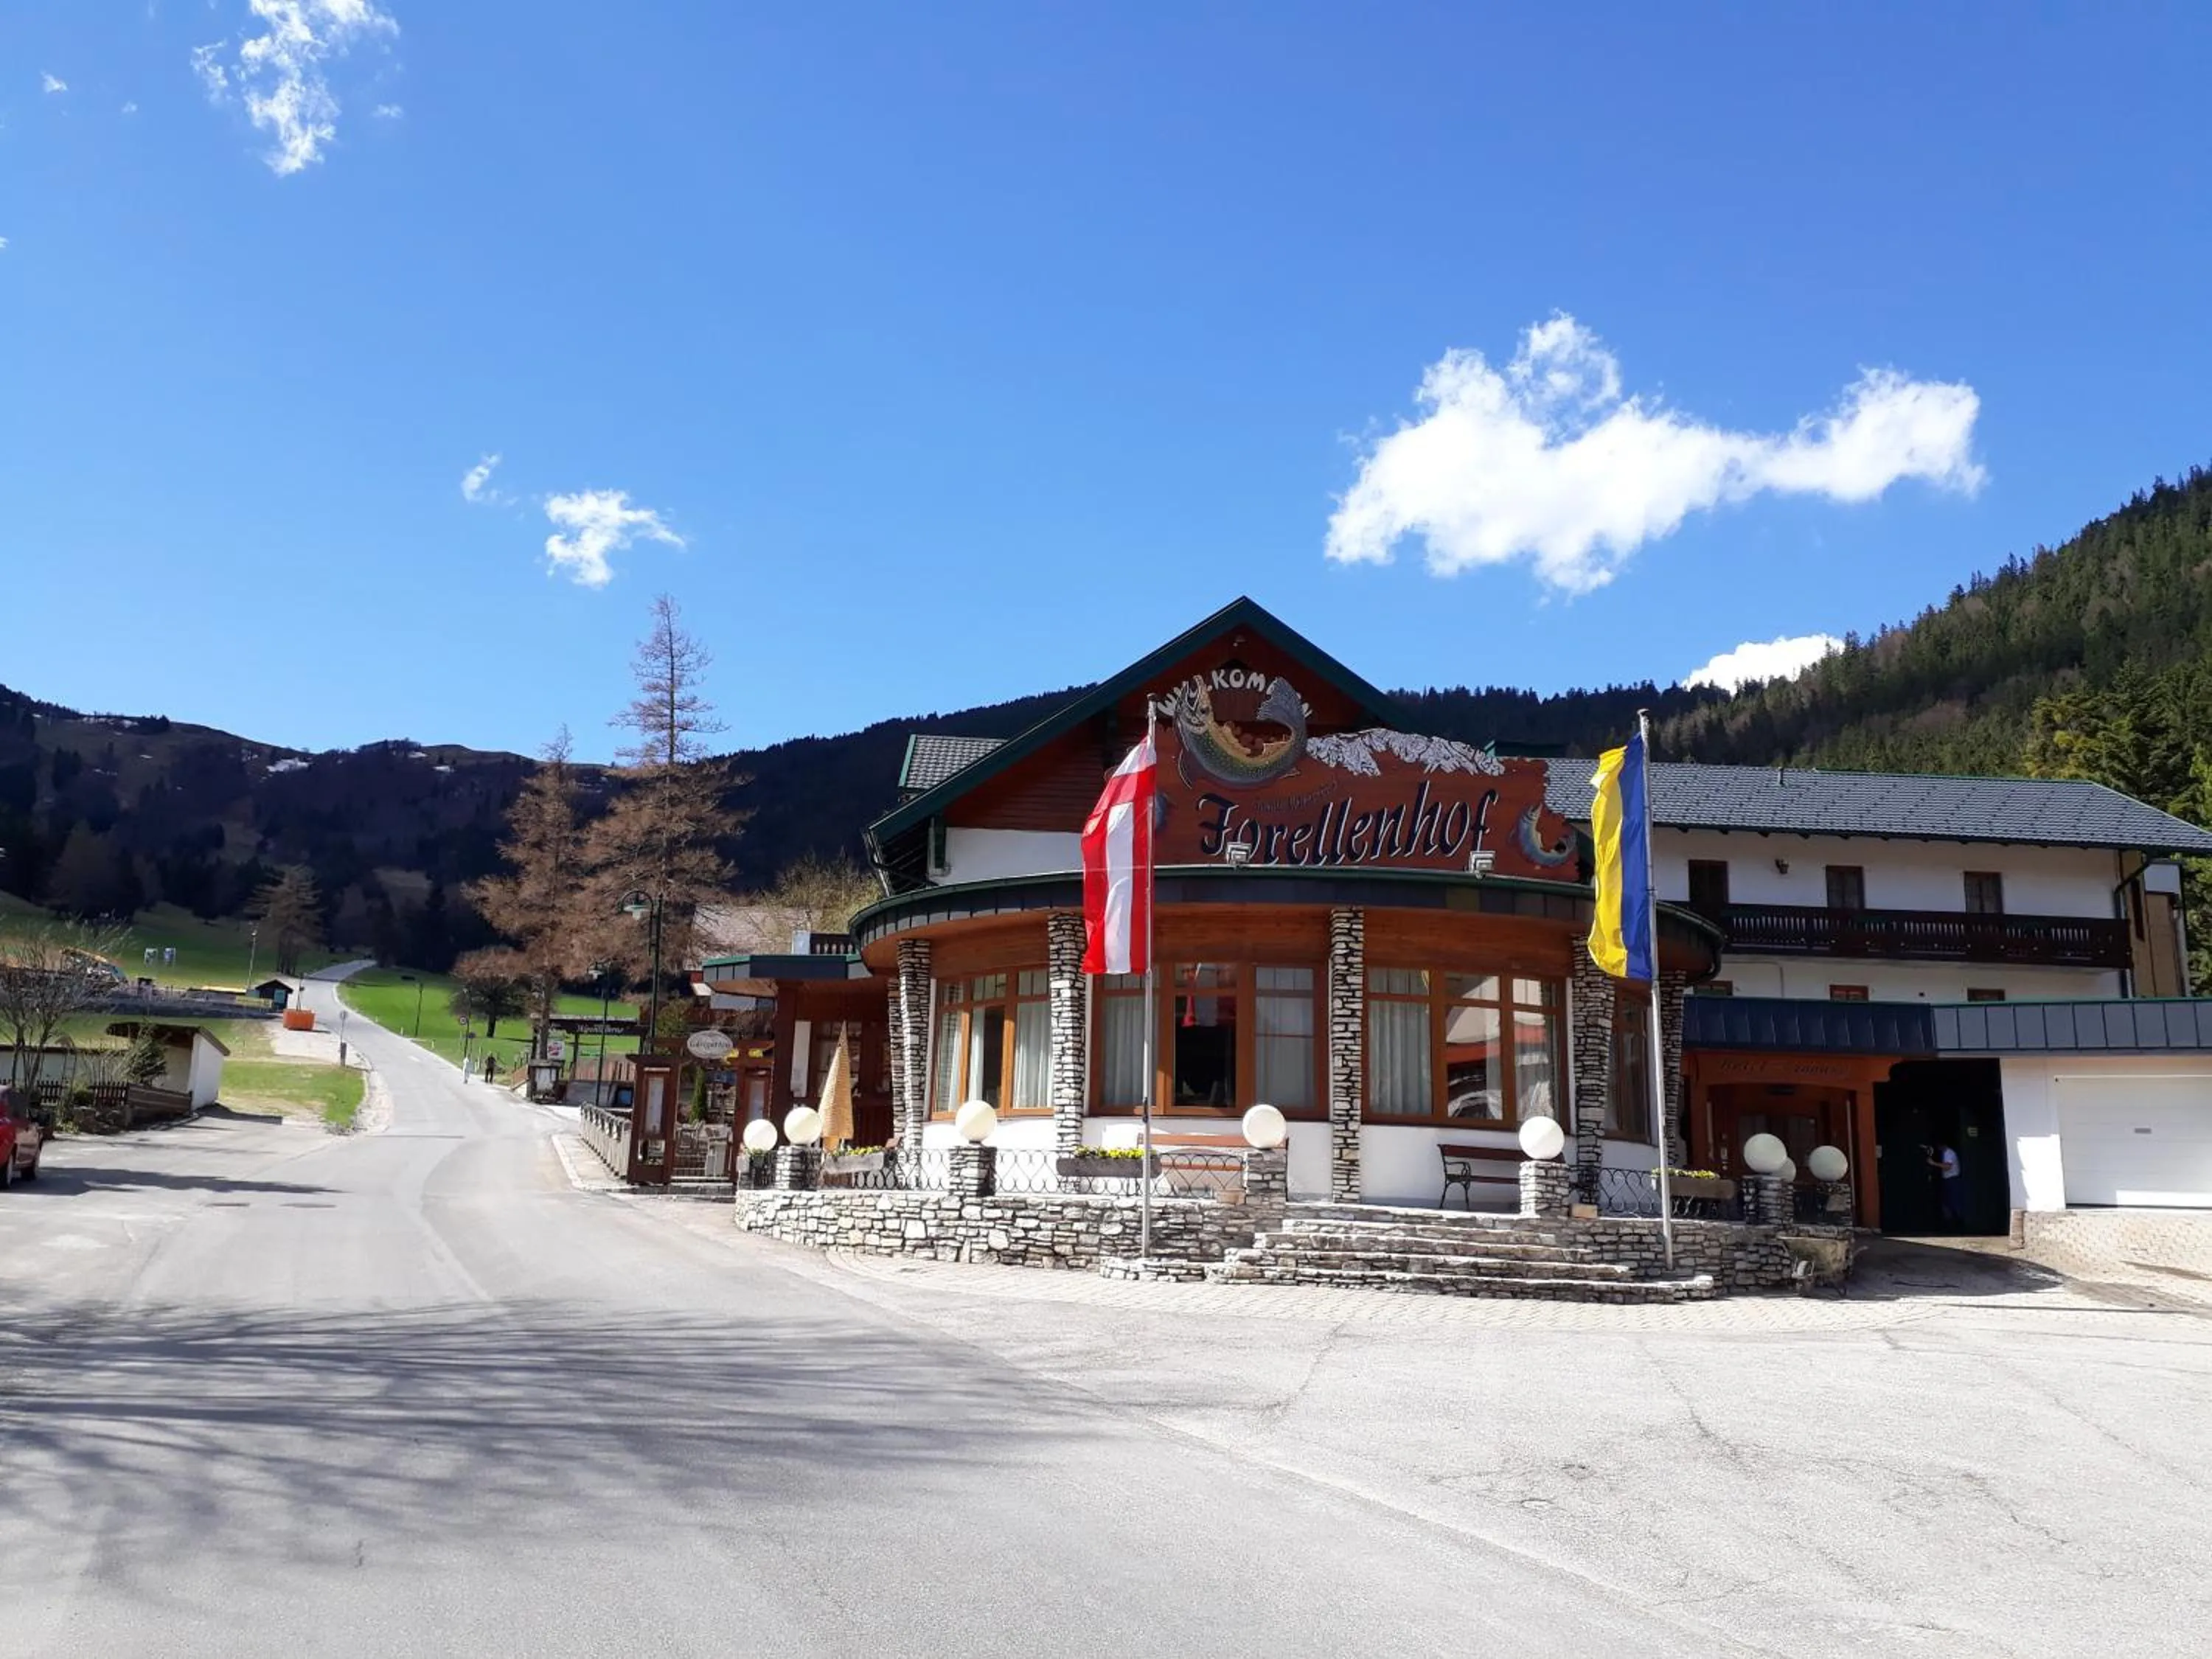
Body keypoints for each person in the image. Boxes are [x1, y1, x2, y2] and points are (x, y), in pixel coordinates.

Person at [1927, 1138, 1964, 1227]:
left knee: (1954, 1201)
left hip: (1952, 1180)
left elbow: (1947, 1167)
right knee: (1947, 1201)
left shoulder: (1949, 1153)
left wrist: (1933, 1163)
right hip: (1947, 1180)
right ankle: (1950, 1222)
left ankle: (1959, 1223)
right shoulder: (1944, 1153)